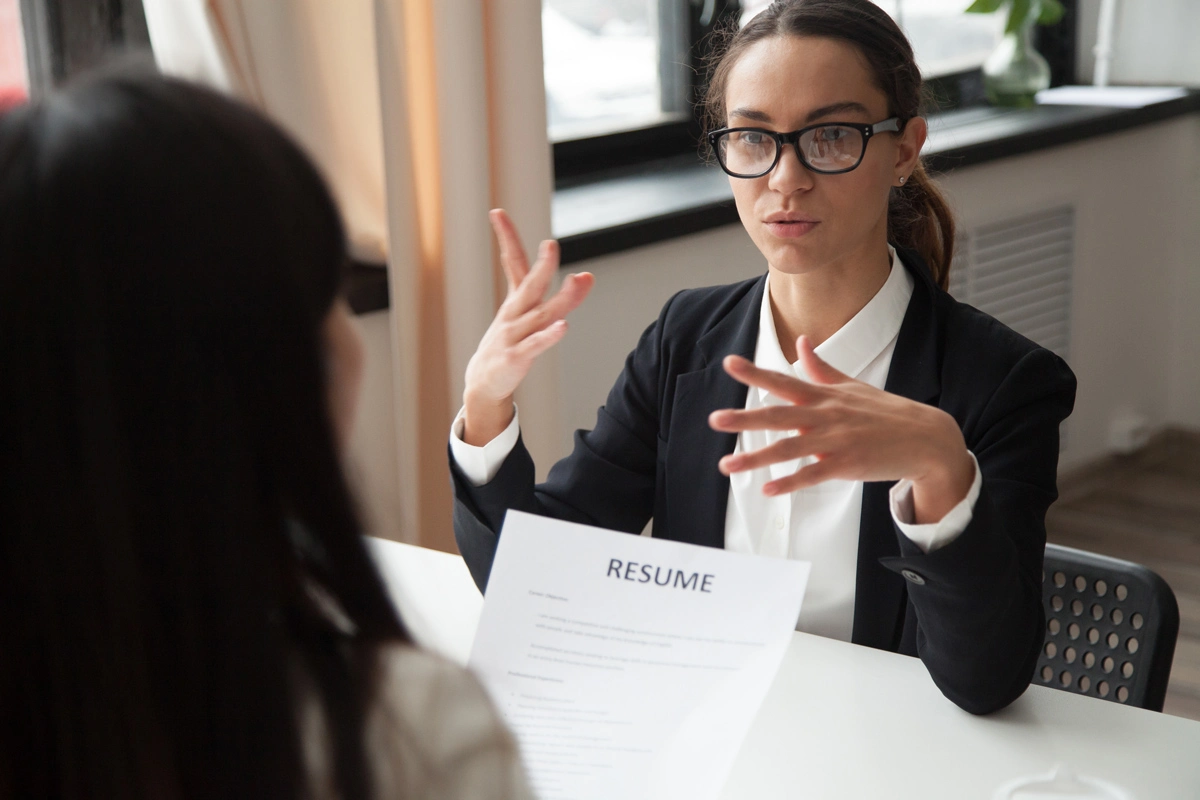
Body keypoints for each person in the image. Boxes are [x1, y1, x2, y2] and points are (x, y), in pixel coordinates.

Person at [449, 0, 1076, 716]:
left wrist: (941, 467)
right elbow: (535, 578)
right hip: (704, 738)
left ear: (904, 150)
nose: (785, 178)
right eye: (752, 138)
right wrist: (485, 405)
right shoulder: (686, 339)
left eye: (831, 135)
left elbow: (986, 682)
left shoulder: (1003, 383)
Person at [0, 72, 532, 799]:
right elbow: (540, 546)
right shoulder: (408, 733)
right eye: (331, 296)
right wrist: (485, 413)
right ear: (267, 373)